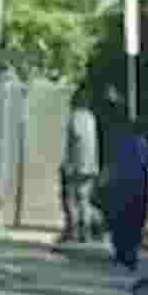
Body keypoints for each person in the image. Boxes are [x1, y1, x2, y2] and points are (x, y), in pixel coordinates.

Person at [105, 123, 148, 271]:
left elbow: (118, 170)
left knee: (124, 224)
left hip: (125, 191)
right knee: (134, 225)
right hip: (138, 192)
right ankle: (130, 256)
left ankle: (124, 254)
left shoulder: (125, 146)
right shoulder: (143, 146)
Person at [60, 96, 100, 243]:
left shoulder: (74, 118)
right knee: (84, 199)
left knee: (70, 198)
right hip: (90, 166)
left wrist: (67, 164)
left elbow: (74, 141)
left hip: (77, 165)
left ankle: (73, 230)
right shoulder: (91, 118)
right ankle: (85, 231)